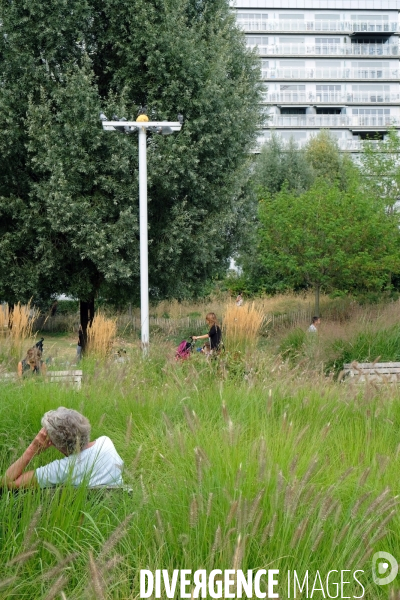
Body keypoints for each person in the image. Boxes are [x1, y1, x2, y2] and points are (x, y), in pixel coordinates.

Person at [3, 407, 124, 489]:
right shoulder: (106, 442)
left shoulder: (62, 469)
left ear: (55, 443)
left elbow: (7, 482)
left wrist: (32, 449)